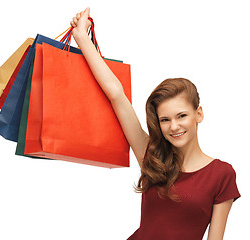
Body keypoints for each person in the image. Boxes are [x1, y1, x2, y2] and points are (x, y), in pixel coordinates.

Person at [70, 8, 241, 240]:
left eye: (182, 116)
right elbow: (116, 94)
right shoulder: (152, 157)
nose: (174, 126)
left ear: (198, 114)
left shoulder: (221, 174)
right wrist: (82, 39)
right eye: (165, 120)